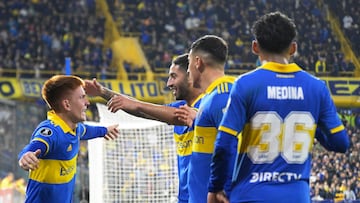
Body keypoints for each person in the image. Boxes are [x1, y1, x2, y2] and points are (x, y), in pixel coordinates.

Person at [207, 11, 350, 203]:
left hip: (250, 194)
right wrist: (314, 125)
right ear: (293, 48)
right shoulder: (317, 87)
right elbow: (340, 143)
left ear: (255, 47)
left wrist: (216, 187)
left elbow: (224, 144)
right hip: (296, 196)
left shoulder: (245, 84)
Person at [84, 53, 203, 203]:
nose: (168, 83)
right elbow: (141, 109)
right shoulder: (179, 107)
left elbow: (177, 115)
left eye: (174, 76)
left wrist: (137, 104)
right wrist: (103, 92)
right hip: (185, 198)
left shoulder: (209, 105)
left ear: (189, 76)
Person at [18, 75, 120, 203]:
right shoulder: (52, 131)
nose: (87, 103)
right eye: (82, 97)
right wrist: (25, 156)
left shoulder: (75, 128)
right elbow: (34, 147)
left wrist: (104, 130)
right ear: (66, 104)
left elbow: (87, 131)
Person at [176, 35, 236, 203]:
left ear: (198, 62)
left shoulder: (223, 95)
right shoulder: (211, 97)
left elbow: (235, 147)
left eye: (188, 64)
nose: (187, 71)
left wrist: (223, 191)